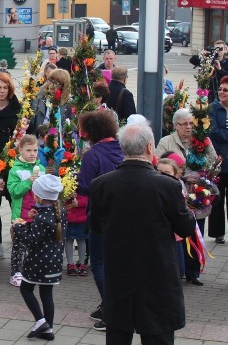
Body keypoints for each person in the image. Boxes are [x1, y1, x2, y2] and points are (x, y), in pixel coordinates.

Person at [90, 123, 196, 345]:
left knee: (118, 335)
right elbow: (185, 228)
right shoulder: (168, 186)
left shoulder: (101, 184)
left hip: (119, 273)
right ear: (150, 147)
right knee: (158, 337)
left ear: (122, 148)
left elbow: (96, 227)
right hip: (157, 275)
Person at [156, 108, 217, 286]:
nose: (189, 127)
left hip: (198, 194)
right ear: (176, 125)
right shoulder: (166, 141)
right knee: (179, 233)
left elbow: (213, 160)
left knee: (196, 231)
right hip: (175, 193)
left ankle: (193, 272)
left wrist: (204, 176)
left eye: (191, 123)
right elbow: (158, 163)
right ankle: (179, 269)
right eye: (185, 124)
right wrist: (180, 175)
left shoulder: (202, 140)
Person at [76, 109, 124, 330]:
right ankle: (108, 304)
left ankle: (113, 310)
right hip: (125, 214)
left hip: (101, 215)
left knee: (99, 263)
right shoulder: (123, 148)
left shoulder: (92, 155)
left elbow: (85, 187)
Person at [12, 174, 66, 342]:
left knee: (25, 289)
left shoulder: (43, 218)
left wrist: (19, 227)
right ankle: (48, 329)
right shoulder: (59, 212)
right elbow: (47, 232)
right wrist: (33, 219)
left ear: (39, 196)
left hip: (38, 263)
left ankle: (41, 322)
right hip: (54, 262)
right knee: (46, 294)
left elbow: (32, 240)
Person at [7, 134, 43, 287]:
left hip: (36, 214)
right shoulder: (15, 170)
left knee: (34, 245)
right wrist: (28, 182)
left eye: (35, 150)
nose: (32, 153)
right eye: (29, 150)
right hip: (21, 215)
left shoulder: (40, 168)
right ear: (20, 150)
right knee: (19, 246)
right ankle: (16, 272)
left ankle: (31, 271)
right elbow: (14, 191)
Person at [208, 75, 228, 244]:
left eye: (225, 90)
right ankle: (217, 232)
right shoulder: (213, 108)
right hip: (218, 160)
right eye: (220, 89)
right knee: (217, 197)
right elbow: (213, 131)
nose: (221, 92)